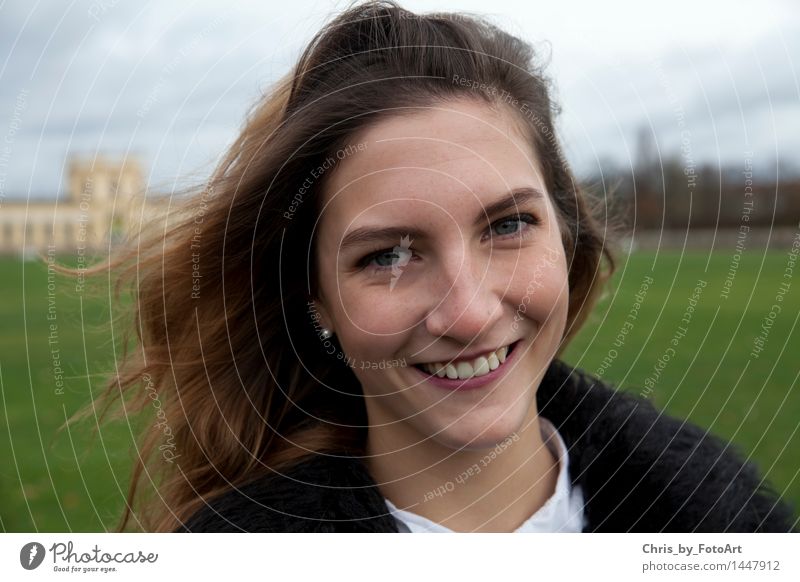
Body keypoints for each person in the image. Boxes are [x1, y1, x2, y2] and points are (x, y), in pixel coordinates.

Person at [86, 0, 795, 532]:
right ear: (317, 300)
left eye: (510, 224)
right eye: (388, 255)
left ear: (567, 235)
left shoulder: (728, 521)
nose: (469, 312)